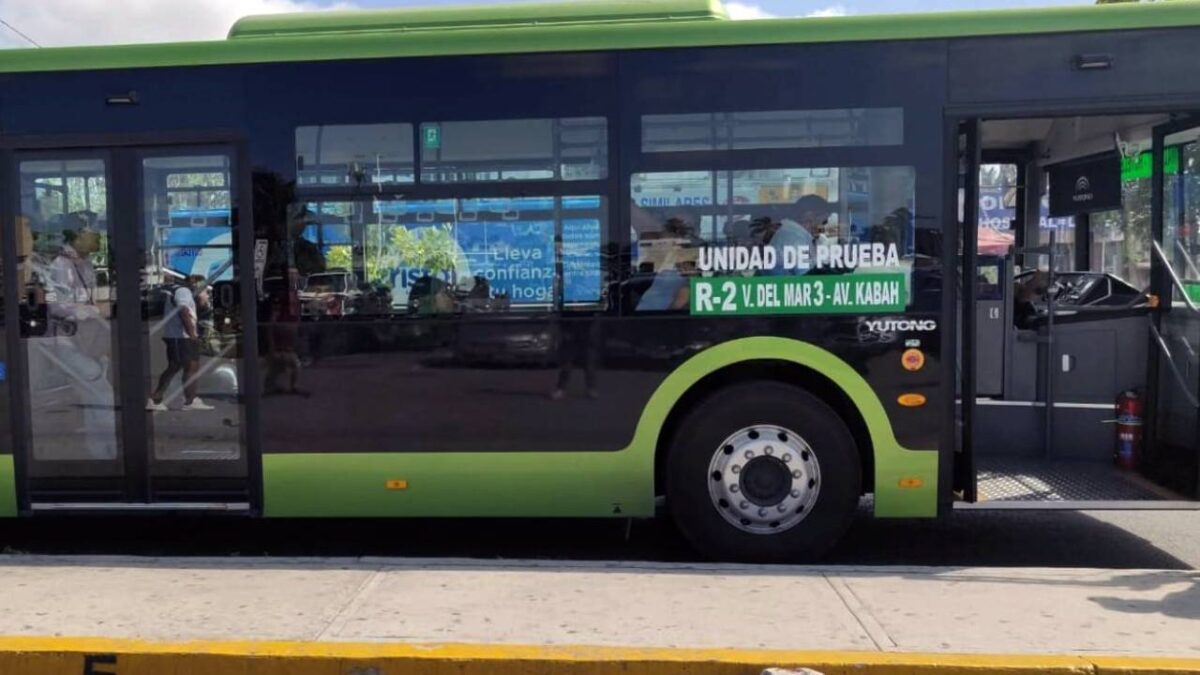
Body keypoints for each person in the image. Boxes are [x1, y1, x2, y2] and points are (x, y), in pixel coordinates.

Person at [147, 275, 214, 411]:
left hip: (178, 336)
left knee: (176, 366)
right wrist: (192, 333)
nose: (205, 292)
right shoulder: (184, 292)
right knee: (190, 366)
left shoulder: (183, 291)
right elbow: (183, 311)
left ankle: (157, 398)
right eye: (204, 289)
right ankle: (189, 400)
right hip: (181, 336)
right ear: (196, 285)